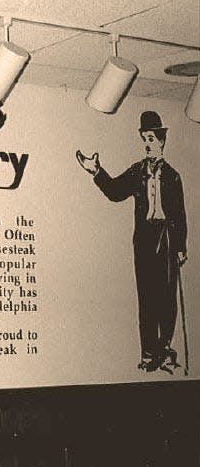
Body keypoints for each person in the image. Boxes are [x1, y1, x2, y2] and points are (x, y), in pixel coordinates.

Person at [77, 111, 188, 372]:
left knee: (167, 298)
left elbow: (179, 214)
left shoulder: (172, 175)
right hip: (145, 238)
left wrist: (181, 247)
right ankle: (149, 352)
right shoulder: (137, 171)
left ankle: (163, 347)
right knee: (147, 297)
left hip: (168, 238)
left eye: (151, 138)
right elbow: (115, 192)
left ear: (161, 140)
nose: (147, 143)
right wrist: (96, 171)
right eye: (143, 138)